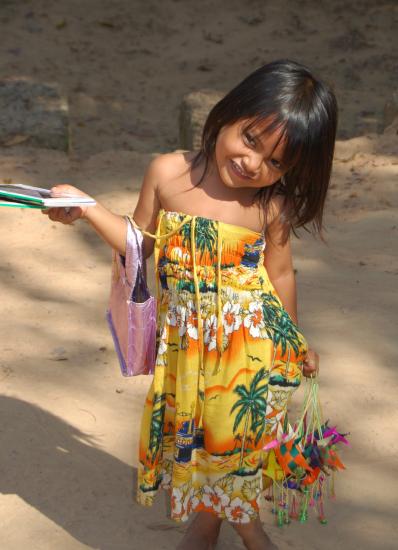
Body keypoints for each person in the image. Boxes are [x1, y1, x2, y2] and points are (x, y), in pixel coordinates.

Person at [42, 59, 337, 550]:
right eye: (250, 139)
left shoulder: (270, 206)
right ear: (229, 113)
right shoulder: (167, 172)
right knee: (198, 438)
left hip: (248, 350)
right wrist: (88, 207)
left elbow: (280, 274)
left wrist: (295, 337)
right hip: (187, 349)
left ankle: (250, 531)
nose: (254, 163)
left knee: (230, 444)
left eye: (277, 162)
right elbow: (137, 242)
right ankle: (206, 524)